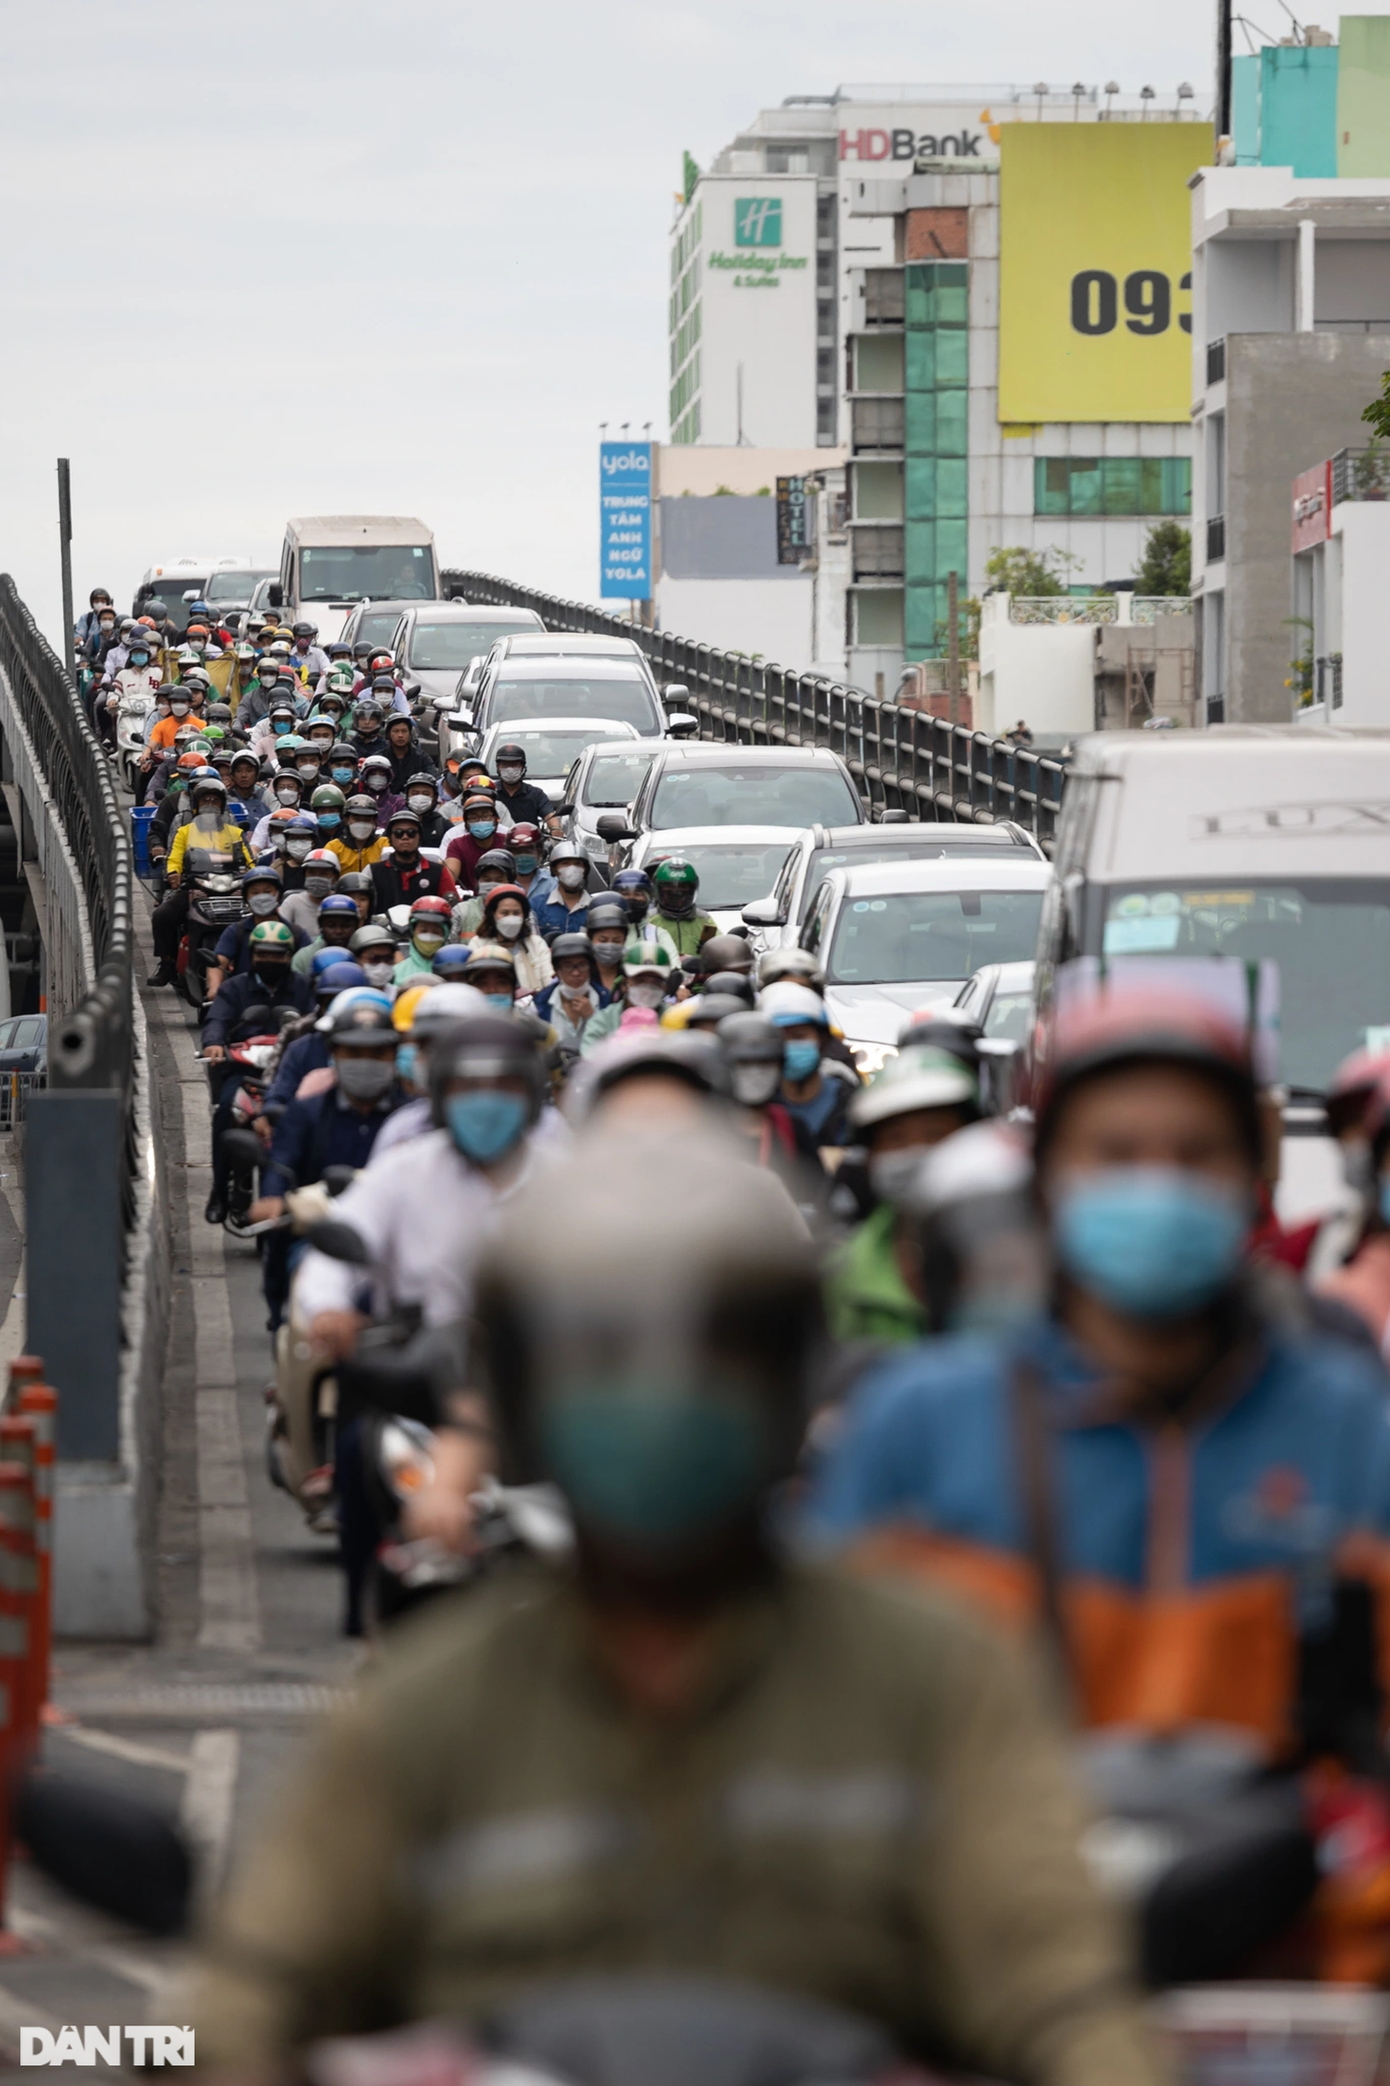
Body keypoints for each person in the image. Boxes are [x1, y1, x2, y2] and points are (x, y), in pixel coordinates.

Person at [193, 1119, 1165, 2085]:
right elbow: (254, 1992)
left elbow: (1056, 1984)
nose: (659, 1393)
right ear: (533, 1391)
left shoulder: (937, 1681)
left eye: (714, 1350)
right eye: (604, 1352)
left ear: (785, 1383)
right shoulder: (422, 1712)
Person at [810, 986, 1390, 1767]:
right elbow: (829, 1742)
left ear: (1253, 1182)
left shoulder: (1350, 1425)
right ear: (1046, 1185)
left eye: (1195, 1155)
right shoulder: (916, 1428)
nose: (1159, 1186)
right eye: (1115, 1156)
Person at [250, 998, 404, 1328]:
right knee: (293, 1267)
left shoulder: (413, 1116)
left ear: (394, 1054)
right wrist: (274, 1200)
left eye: (377, 1053)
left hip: (399, 1239)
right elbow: (282, 1163)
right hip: (319, 1234)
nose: (366, 1062)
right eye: (353, 1052)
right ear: (334, 1053)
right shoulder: (305, 1112)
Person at [825, 1046, 982, 1347]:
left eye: (935, 1133)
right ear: (870, 1158)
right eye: (896, 1139)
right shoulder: (841, 1278)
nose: (915, 1152)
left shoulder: (1022, 1258)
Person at [201, 921, 316, 1224]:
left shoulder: (304, 988)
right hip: (243, 1071)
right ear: (252, 955)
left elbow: (313, 1022)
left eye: (278, 955)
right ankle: (220, 1190)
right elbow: (217, 1020)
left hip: (288, 1074)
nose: (270, 960)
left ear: (290, 956)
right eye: (263, 954)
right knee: (225, 1111)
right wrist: (214, 1044)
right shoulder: (233, 988)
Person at [149, 777, 252, 987]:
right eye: (206, 801)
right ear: (197, 805)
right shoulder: (184, 831)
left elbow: (250, 861)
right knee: (162, 916)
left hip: (230, 887)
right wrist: (173, 873)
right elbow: (174, 857)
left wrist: (254, 877)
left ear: (222, 805)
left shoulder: (235, 833)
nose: (210, 805)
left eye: (215, 801)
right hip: (195, 886)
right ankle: (167, 963)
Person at [371, 982, 488, 1160]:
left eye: (445, 1044)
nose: (434, 1058)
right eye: (424, 1046)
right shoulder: (402, 1131)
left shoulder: (531, 1128)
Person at [761, 980, 857, 1153]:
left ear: (823, 1040)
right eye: (779, 1038)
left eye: (799, 1036)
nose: (789, 1046)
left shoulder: (850, 1103)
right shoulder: (762, 1106)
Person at [369, 808, 457, 912]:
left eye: (411, 832)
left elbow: (453, 908)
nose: (405, 837)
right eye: (398, 832)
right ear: (390, 838)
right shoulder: (373, 871)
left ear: (420, 837)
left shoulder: (439, 872)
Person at [533, 931, 605, 1054]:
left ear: (591, 967)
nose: (576, 973)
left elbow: (616, 1044)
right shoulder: (540, 1004)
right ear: (556, 970)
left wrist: (592, 1017)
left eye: (582, 965)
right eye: (567, 966)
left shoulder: (606, 999)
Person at [477, 881, 552, 998]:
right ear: (492, 915)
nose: (511, 918)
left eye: (516, 913)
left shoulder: (536, 943)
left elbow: (549, 981)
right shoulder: (478, 944)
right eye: (504, 913)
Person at [444, 791, 510, 890]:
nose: (480, 821)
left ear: (495, 819)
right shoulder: (457, 845)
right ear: (466, 823)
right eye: (474, 817)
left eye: (485, 816)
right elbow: (449, 879)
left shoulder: (507, 842)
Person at [529, 839, 591, 942]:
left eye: (577, 864)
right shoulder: (536, 906)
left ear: (585, 870)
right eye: (565, 863)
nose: (572, 869)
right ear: (554, 870)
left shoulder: (595, 908)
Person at [492, 740, 560, 833]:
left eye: (515, 764)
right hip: (496, 844)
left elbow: (550, 815)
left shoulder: (536, 794)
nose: (510, 769)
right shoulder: (491, 792)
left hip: (529, 844)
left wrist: (555, 828)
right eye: (505, 764)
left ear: (523, 767)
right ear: (498, 767)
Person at [290, 892, 362, 977]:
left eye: (346, 926)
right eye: (331, 926)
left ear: (356, 927)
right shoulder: (304, 957)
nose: (338, 931)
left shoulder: (364, 956)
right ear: (321, 926)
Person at [450, 848, 517, 938]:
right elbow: (448, 946)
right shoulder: (461, 911)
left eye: (499, 880)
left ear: (510, 882)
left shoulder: (522, 913)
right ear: (478, 882)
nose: (492, 884)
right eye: (487, 880)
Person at [394, 893, 455, 981]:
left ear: (445, 934)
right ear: (413, 931)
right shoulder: (396, 973)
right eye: (423, 931)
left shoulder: (454, 973)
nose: (429, 936)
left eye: (436, 932)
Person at [325, 794, 388, 874]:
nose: (362, 824)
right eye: (356, 819)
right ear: (346, 820)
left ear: (374, 822)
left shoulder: (384, 845)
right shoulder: (333, 847)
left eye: (367, 820)